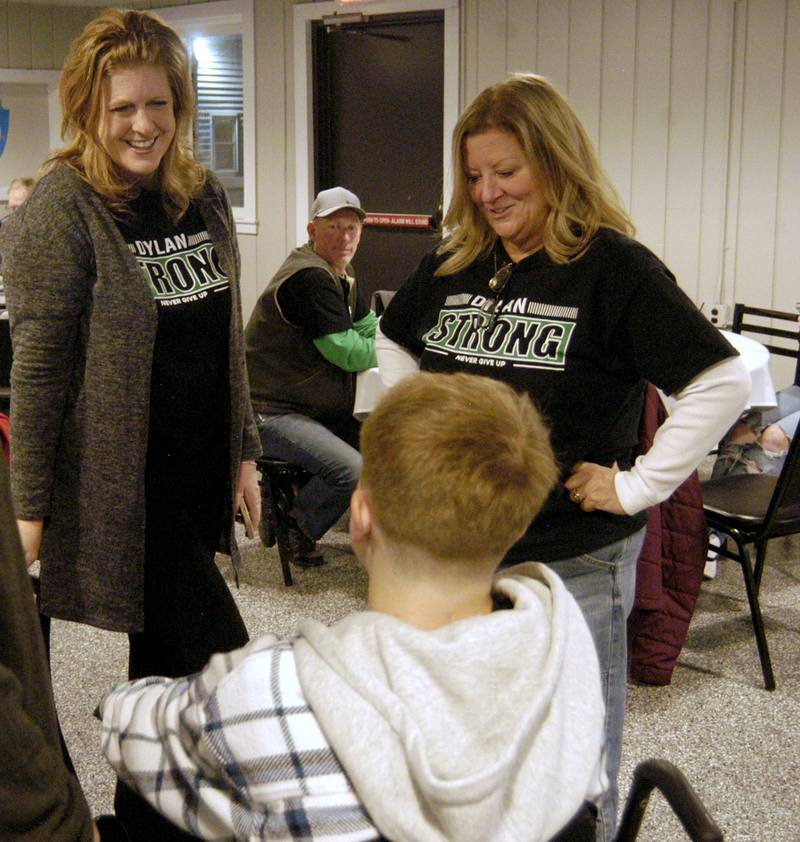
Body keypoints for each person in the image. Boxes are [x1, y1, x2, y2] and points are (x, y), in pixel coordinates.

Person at [376, 73, 751, 840]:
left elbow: (722, 380)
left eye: (506, 172)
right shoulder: (457, 262)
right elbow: (393, 336)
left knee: (575, 762)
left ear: (554, 164)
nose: (487, 192)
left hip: (569, 560)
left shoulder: (613, 268)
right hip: (460, 554)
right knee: (471, 741)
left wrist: (638, 485)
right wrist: (418, 435)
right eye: (475, 176)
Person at [100, 371, 606, 842]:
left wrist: (117, 701)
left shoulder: (270, 690)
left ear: (360, 517)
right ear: (518, 527)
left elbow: (132, 733)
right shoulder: (566, 649)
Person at [2, 9, 260, 841]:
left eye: (157, 104)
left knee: (167, 669)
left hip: (191, 479)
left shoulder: (201, 194)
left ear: (179, 104)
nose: (143, 125)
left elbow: (226, 335)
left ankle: (148, 820)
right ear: (88, 110)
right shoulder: (61, 209)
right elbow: (37, 370)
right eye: (121, 109)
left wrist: (246, 450)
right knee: (223, 658)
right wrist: (28, 511)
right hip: (120, 488)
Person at [245, 186, 376, 567]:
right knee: (354, 471)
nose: (345, 237)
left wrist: (378, 339)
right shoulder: (309, 278)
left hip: (310, 406)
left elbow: (366, 327)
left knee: (388, 448)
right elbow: (348, 352)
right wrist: (387, 349)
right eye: (333, 226)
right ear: (311, 230)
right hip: (270, 411)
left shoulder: (342, 272)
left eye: (352, 228)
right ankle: (293, 521)